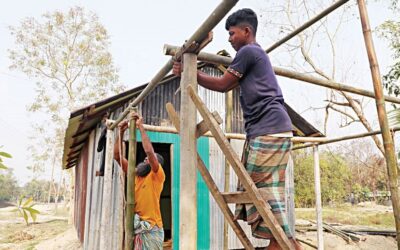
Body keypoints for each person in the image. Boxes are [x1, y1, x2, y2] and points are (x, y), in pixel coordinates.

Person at [173, 8, 301, 250]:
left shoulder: (249, 51)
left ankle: (285, 243)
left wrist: (190, 72)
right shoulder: (252, 56)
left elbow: (223, 85)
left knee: (261, 189)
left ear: (246, 31)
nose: (230, 38)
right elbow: (228, 84)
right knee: (263, 188)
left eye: (232, 33)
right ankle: (280, 242)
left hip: (270, 128)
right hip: (267, 129)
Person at [114, 113, 165, 250]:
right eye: (145, 159)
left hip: (152, 229)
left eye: (149, 160)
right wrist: (121, 131)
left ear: (155, 163)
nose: (145, 159)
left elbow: (149, 151)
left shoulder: (157, 176)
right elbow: (117, 156)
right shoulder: (135, 174)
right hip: (137, 227)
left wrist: (140, 127)